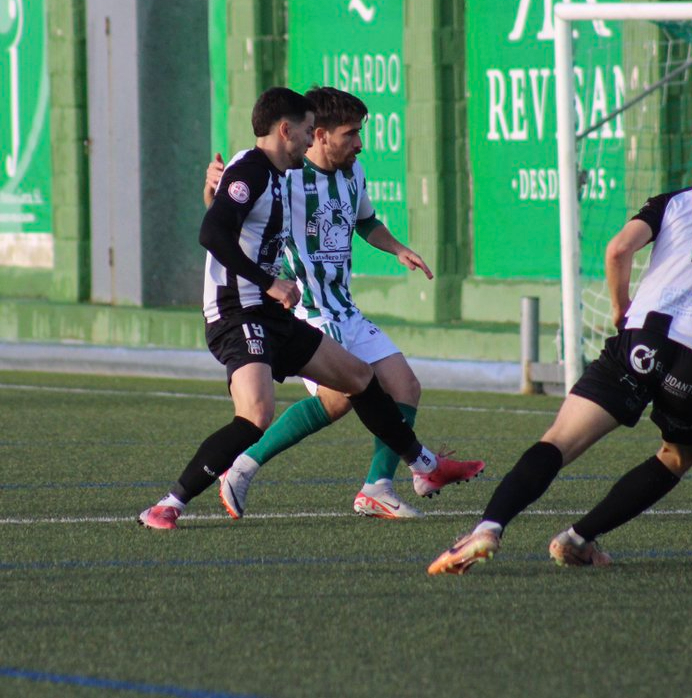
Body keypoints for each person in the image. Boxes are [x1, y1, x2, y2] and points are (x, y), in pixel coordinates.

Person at [428, 113, 692, 574]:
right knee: (676, 456)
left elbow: (618, 249)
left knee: (559, 441)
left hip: (641, 341)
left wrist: (619, 306)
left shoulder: (674, 202)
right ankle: (578, 539)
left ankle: (488, 528)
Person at [138, 87, 484, 530]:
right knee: (264, 414)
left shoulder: (302, 171)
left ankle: (414, 468)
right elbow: (216, 227)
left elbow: (243, 217)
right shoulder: (262, 170)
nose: (357, 143)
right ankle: (175, 501)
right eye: (309, 131)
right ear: (300, 132)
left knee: (369, 381)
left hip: (291, 310)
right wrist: (267, 277)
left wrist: (396, 248)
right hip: (246, 310)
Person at [207, 87, 434, 520]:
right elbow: (225, 217)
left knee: (405, 386)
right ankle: (242, 465)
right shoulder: (282, 174)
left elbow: (366, 221)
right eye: (350, 134)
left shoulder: (354, 173)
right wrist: (213, 188)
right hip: (305, 308)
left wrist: (397, 248)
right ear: (320, 135)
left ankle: (378, 487)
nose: (359, 143)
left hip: (344, 307)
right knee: (340, 396)